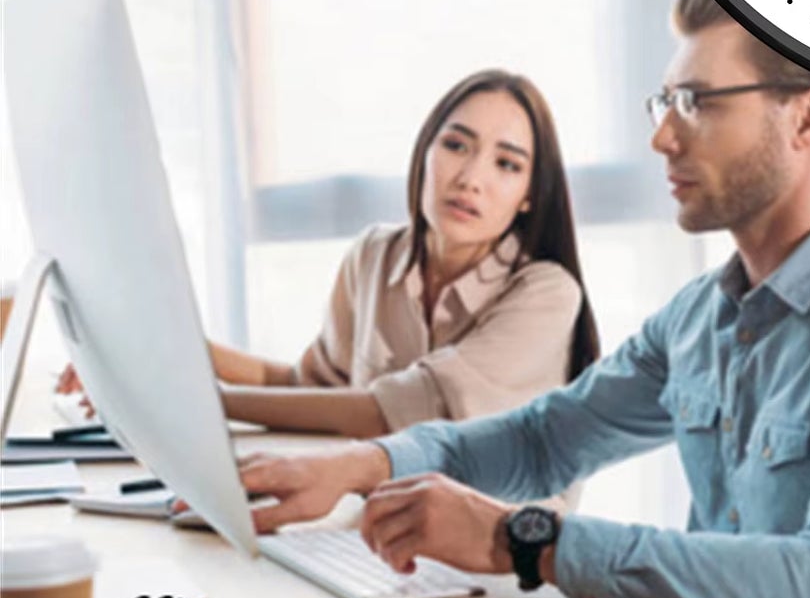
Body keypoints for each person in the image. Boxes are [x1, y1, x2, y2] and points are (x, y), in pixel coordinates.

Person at [236, 0, 810, 598]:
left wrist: (525, 542)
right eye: (665, 103)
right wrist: (363, 465)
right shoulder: (697, 318)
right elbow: (545, 438)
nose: (663, 139)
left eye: (699, 104)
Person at [64, 73, 595, 437]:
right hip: (377, 535)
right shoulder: (374, 256)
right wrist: (156, 352)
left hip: (501, 565)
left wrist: (197, 402)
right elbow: (308, 387)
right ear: (425, 152)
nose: (470, 178)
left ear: (530, 194)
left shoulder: (546, 293)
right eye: (456, 145)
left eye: (506, 164)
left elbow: (385, 414)